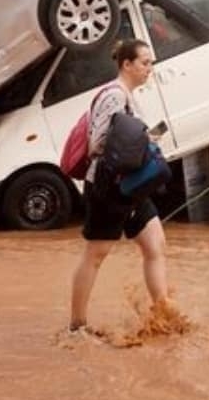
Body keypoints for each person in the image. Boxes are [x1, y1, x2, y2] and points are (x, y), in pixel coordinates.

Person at [67, 39, 176, 338]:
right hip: (108, 188)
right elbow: (98, 143)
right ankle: (77, 326)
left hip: (131, 186)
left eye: (151, 63)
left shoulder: (129, 96)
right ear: (126, 64)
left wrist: (146, 140)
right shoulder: (114, 96)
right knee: (96, 254)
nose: (149, 69)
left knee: (155, 245)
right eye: (144, 63)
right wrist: (145, 143)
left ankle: (164, 315)